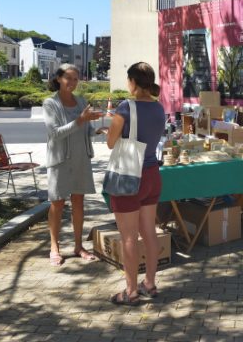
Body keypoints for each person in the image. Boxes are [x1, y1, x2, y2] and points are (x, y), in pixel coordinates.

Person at [105, 62, 166, 306]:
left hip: (129, 174)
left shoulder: (125, 107)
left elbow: (111, 142)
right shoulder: (159, 107)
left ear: (133, 81)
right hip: (152, 173)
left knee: (128, 237)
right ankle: (149, 283)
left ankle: (130, 291)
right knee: (149, 232)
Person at [42, 63, 103, 266]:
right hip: (60, 159)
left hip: (80, 159)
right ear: (58, 78)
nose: (72, 82)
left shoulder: (81, 101)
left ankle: (78, 246)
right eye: (68, 78)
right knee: (57, 203)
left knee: (79, 202)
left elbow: (86, 129)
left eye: (76, 78)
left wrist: (98, 129)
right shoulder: (50, 103)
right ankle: (54, 247)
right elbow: (55, 133)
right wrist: (80, 120)